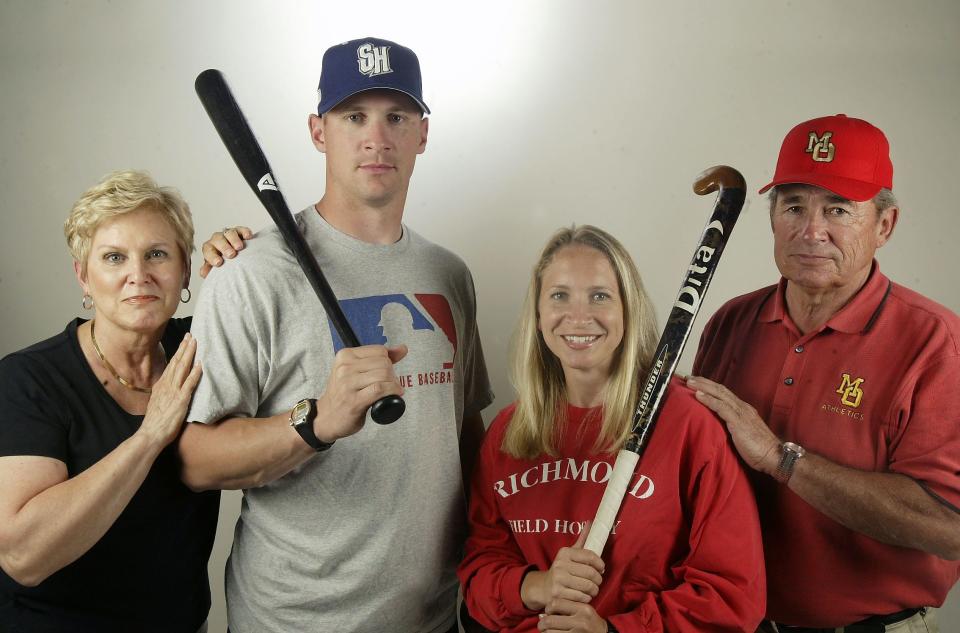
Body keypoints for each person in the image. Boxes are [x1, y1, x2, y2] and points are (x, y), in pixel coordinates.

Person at [177, 37, 492, 633]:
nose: (377, 137)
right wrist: (315, 420)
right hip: (295, 619)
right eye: (353, 116)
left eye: (396, 117)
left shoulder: (449, 274)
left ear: (422, 134)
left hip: (434, 616)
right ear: (318, 131)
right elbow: (195, 460)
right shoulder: (250, 272)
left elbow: (462, 430)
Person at [688, 114, 960, 632]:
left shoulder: (936, 344)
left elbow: (948, 527)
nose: (812, 231)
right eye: (794, 206)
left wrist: (779, 458)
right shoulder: (731, 322)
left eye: (838, 209)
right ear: (772, 220)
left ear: (885, 225)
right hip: (736, 621)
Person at [458, 225, 765, 632]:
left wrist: (612, 631)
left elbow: (732, 596)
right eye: (559, 295)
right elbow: (479, 574)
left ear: (627, 309)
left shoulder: (690, 426)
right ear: (538, 313)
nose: (578, 315)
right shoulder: (508, 433)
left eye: (599, 295)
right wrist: (539, 585)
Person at [0, 170, 244, 632]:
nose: (139, 275)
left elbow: (286, 306)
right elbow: (22, 556)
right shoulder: (29, 379)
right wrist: (150, 435)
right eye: (114, 258)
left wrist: (244, 259)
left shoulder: (202, 345)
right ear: (83, 277)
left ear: (185, 269)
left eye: (157, 254)